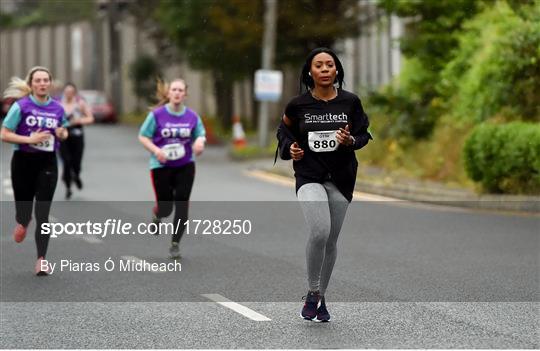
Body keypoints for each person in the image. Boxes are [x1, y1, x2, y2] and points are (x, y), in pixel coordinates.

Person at [276, 48, 373, 322]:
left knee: (331, 240)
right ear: (310, 72)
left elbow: (364, 133)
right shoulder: (297, 105)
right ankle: (312, 290)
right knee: (320, 231)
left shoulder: (351, 102)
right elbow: (284, 132)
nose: (325, 69)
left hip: (341, 177)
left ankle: (321, 298)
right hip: (309, 175)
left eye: (330, 65)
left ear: (337, 70)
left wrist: (351, 141)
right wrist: (290, 149)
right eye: (319, 65)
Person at [1, 66, 69, 276]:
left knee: (43, 212)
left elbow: (64, 131)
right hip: (23, 162)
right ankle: (23, 220)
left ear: (50, 83)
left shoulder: (58, 108)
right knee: (24, 211)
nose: (42, 84)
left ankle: (41, 259)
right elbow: (4, 133)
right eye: (38, 80)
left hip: (47, 163)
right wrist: (29, 139)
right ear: (31, 84)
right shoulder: (21, 106)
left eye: (45, 80)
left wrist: (62, 133)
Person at [138, 78, 206, 259]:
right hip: (161, 165)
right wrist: (156, 150)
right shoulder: (157, 115)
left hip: (185, 164)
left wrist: (199, 143)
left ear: (185, 94)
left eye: (180, 90)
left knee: (182, 203)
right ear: (168, 93)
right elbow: (143, 136)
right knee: (166, 207)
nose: (177, 93)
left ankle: (175, 243)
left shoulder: (192, 116)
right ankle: (158, 214)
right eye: (174, 90)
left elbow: (200, 134)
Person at [59, 82, 94, 199]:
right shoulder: (58, 105)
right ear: (64, 92)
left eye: (71, 92)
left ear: (74, 93)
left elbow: (90, 118)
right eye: (67, 91)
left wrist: (78, 121)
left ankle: (77, 175)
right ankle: (68, 187)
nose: (69, 94)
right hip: (63, 137)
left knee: (76, 162)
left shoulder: (80, 104)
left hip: (77, 137)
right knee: (66, 162)